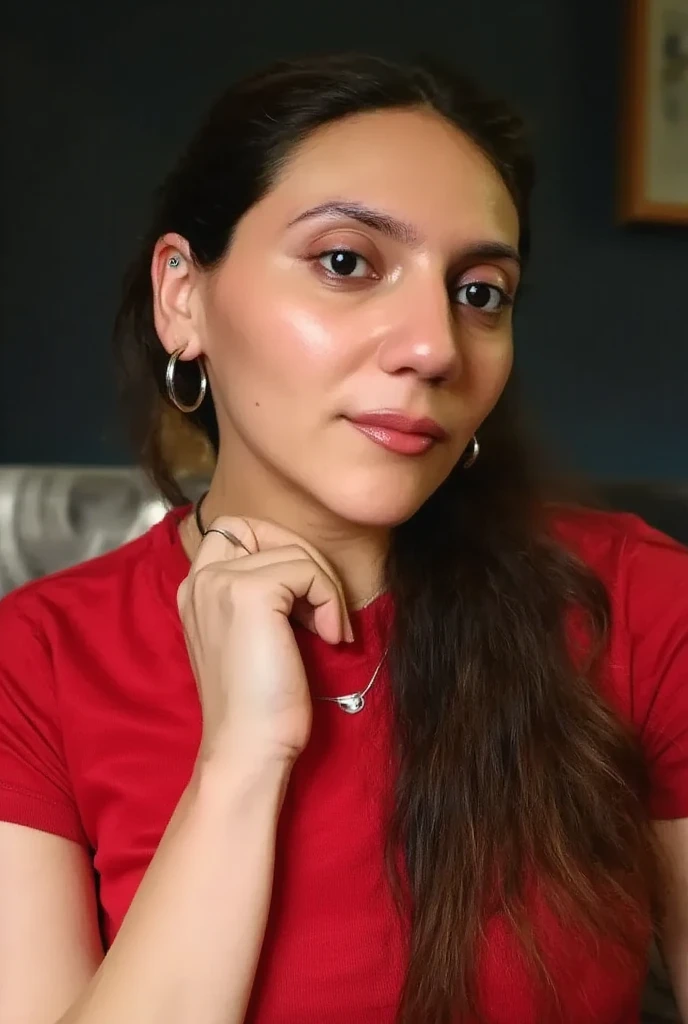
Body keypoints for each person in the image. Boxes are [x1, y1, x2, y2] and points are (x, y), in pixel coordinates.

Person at [0, 52, 687, 1024]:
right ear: (182, 297)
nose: (435, 344)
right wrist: (242, 758)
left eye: (480, 291)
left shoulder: (638, 604)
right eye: (345, 263)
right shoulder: (33, 663)